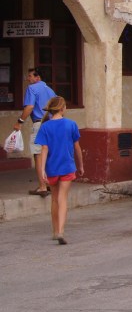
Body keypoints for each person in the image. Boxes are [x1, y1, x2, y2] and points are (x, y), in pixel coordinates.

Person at [35, 96, 84, 245]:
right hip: (67, 167)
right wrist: (81, 165)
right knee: (63, 199)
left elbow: (44, 149)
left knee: (55, 199)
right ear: (62, 109)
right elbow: (77, 147)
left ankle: (55, 230)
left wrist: (42, 170)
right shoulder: (71, 124)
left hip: (52, 168)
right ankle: (61, 231)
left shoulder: (45, 127)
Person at [13, 68, 57, 197]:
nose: (28, 78)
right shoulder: (50, 90)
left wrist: (20, 121)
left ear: (37, 78)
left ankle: (42, 186)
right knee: (48, 154)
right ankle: (49, 183)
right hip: (52, 123)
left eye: (30, 76)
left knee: (38, 154)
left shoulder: (32, 89)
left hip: (40, 123)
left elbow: (30, 106)